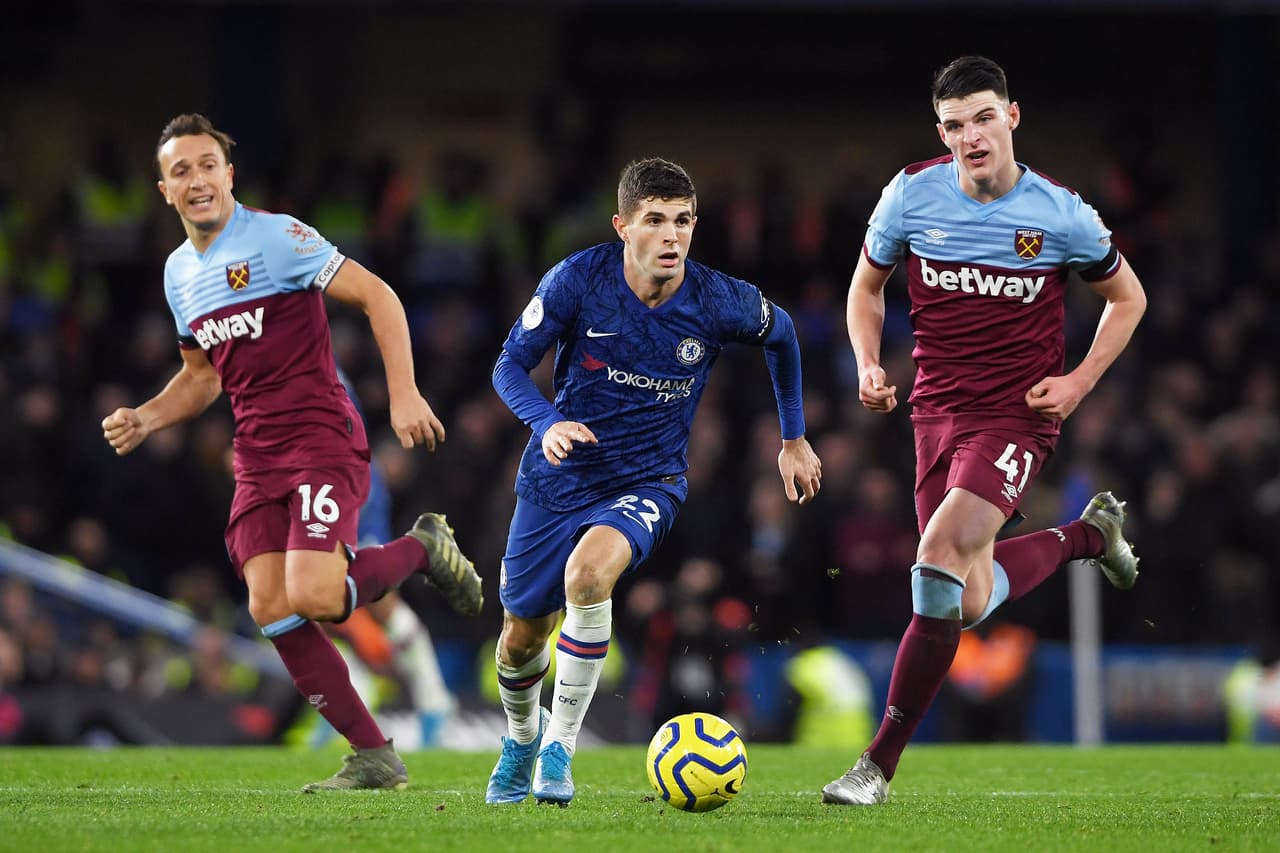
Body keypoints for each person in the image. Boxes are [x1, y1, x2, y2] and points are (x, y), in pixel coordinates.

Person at [100, 113, 483, 792]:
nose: (197, 179)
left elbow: (378, 296)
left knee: (317, 595)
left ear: (229, 175)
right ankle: (374, 755)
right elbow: (201, 377)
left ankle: (423, 548)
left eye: (208, 165)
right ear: (165, 189)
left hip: (319, 437)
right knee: (270, 605)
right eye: (181, 170)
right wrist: (147, 416)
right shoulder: (178, 273)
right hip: (256, 455)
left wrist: (403, 395)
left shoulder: (276, 238)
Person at [822, 56, 1148, 805]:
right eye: (954, 124)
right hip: (934, 415)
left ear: (1012, 116)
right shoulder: (911, 194)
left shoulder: (1060, 213)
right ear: (940, 132)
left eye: (984, 118)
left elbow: (1128, 298)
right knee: (962, 600)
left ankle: (875, 766)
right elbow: (866, 288)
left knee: (937, 556)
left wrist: (1077, 382)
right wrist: (867, 363)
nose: (971, 136)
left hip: (1015, 418)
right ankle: (1088, 537)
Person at [485, 157, 822, 806]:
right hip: (558, 477)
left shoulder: (717, 298)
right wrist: (547, 422)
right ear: (623, 227)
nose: (672, 236)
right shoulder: (578, 280)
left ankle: (559, 748)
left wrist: (793, 437)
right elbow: (508, 366)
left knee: (588, 577)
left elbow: (782, 335)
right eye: (655, 221)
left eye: (683, 221)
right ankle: (522, 739)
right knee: (521, 638)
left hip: (648, 479)